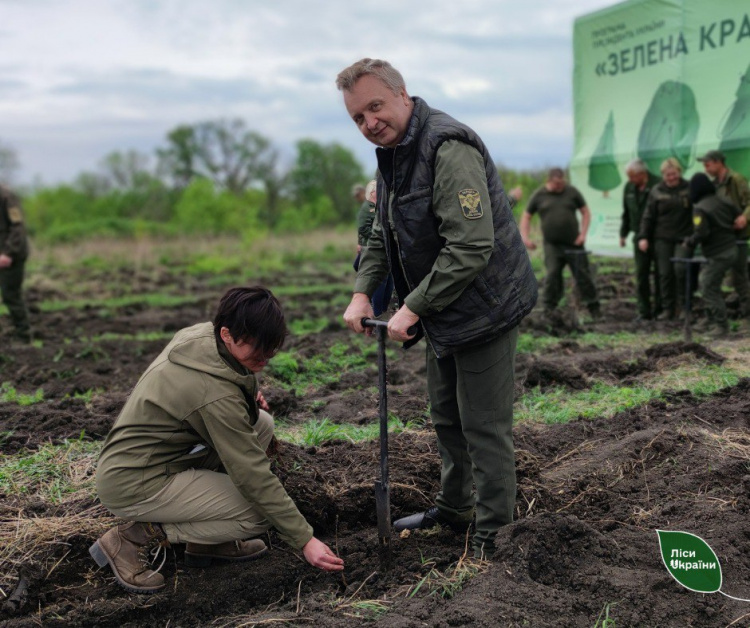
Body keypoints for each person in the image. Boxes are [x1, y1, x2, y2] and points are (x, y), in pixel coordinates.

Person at [336, 58, 537, 559]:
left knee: (484, 427)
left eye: (375, 107)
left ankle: (494, 534)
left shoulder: (447, 146)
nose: (369, 123)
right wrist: (364, 291)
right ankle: (454, 509)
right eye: (358, 118)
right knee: (446, 417)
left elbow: (471, 246)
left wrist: (414, 307)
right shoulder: (393, 156)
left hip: (486, 307)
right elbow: (383, 232)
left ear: (402, 94)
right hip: (446, 308)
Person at [90, 286, 344, 594]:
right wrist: (304, 539)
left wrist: (248, 396)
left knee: (260, 424)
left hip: (153, 458)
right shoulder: (214, 395)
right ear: (226, 334)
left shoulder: (200, 338)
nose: (265, 357)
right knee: (256, 513)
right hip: (134, 480)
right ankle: (136, 537)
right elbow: (251, 475)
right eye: (257, 348)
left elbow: (229, 386)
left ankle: (207, 542)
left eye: (271, 348)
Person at [519, 168, 601, 320]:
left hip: (574, 243)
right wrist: (525, 237)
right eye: (557, 184)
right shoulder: (539, 195)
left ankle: (594, 309)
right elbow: (526, 216)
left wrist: (583, 235)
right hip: (552, 245)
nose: (560, 186)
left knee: (583, 276)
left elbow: (586, 213)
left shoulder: (572, 192)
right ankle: (549, 310)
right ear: (549, 181)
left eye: (562, 183)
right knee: (552, 276)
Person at [683, 173, 741, 338]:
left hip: (718, 253)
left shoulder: (700, 208)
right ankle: (710, 319)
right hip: (731, 249)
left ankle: (721, 327)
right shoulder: (724, 200)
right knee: (711, 284)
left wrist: (689, 242)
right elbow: (738, 217)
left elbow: (701, 232)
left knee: (708, 286)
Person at [637, 158, 693, 321]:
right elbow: (648, 216)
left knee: (681, 269)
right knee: (665, 273)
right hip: (662, 238)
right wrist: (643, 237)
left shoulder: (688, 188)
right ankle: (668, 309)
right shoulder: (656, 191)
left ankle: (685, 308)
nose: (671, 178)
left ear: (679, 172)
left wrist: (694, 235)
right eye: (668, 175)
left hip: (684, 238)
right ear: (663, 175)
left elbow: (697, 212)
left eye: (674, 174)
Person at [698, 149, 750, 319]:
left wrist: (744, 217)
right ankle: (716, 313)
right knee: (715, 277)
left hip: (739, 236)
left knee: (739, 275)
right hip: (722, 238)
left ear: (718, 162)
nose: (706, 168)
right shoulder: (714, 185)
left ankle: (747, 310)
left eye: (708, 164)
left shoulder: (736, 180)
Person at [619, 159, 662, 322]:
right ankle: (644, 311)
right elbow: (626, 212)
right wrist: (623, 234)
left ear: (642, 174)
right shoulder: (629, 187)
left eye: (632, 176)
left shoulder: (658, 184)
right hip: (638, 237)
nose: (630, 180)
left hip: (657, 236)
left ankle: (660, 310)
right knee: (641, 274)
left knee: (660, 274)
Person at [354, 180, 394, 316]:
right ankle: (377, 313)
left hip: (384, 248)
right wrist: (378, 238)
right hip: (373, 248)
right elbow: (363, 228)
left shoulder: (381, 205)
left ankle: (382, 310)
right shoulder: (368, 207)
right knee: (379, 282)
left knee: (388, 281)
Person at [0, 185, 31, 344]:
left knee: (11, 295)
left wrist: (8, 252)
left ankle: (23, 336)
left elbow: (17, 227)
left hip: (10, 256)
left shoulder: (6, 196)